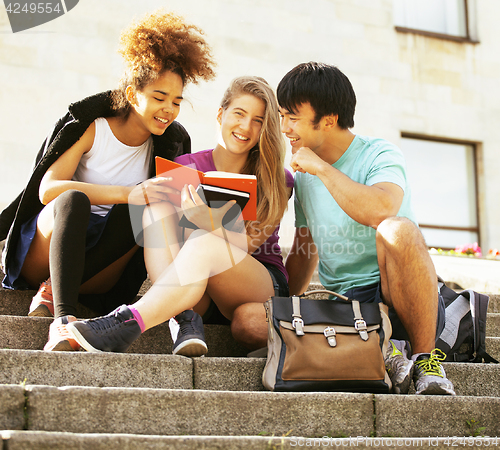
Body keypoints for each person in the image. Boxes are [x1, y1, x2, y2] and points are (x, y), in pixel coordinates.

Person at [0, 10, 215, 352]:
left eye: (176, 101)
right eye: (159, 97)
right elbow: (48, 189)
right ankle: (63, 321)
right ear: (132, 93)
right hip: (50, 246)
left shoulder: (170, 143)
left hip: (103, 267)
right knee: (75, 200)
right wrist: (127, 193)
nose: (169, 110)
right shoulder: (93, 126)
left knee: (149, 208)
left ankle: (60, 291)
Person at [65, 76, 293, 355]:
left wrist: (207, 223)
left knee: (205, 242)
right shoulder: (185, 166)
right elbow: (168, 233)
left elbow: (249, 245)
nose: (246, 127)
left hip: (256, 285)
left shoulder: (276, 179)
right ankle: (184, 318)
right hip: (197, 292)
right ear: (221, 114)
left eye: (258, 120)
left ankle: (127, 321)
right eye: (239, 113)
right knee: (155, 208)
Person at [278, 62, 455, 396]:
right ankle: (385, 348)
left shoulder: (379, 153)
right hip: (346, 305)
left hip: (404, 294)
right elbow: (305, 250)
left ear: (327, 120)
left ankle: (424, 359)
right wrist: (281, 303)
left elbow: (381, 209)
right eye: (281, 116)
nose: (285, 127)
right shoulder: (304, 178)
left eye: (292, 117)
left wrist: (322, 170)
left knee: (399, 229)